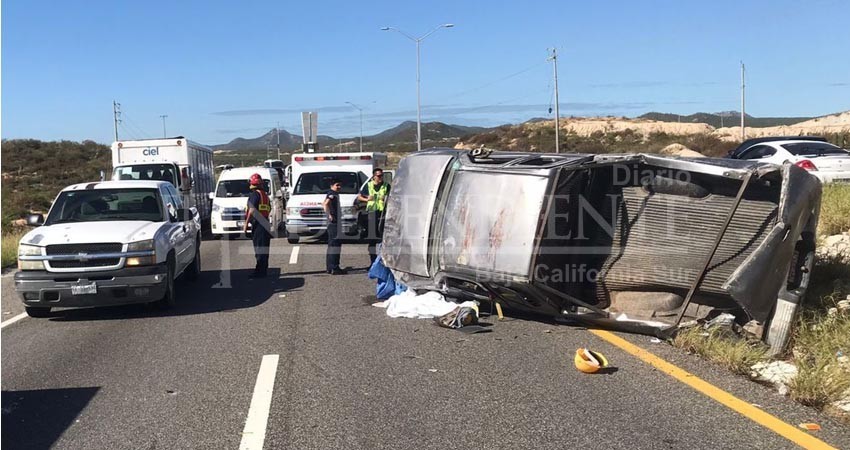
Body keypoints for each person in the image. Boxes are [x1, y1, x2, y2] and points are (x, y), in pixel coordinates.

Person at [357, 168, 390, 265]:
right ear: (374, 176)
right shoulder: (368, 185)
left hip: (382, 214)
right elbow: (359, 197)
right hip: (371, 214)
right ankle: (372, 262)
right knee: (372, 240)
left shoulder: (386, 186)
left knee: (383, 239)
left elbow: (392, 197)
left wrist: (386, 198)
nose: (380, 178)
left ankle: (383, 262)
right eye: (379, 176)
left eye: (382, 176)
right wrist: (366, 199)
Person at [242, 173, 272, 278]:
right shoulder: (265, 195)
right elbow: (268, 209)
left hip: (258, 224)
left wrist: (246, 225)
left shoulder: (254, 195)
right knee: (264, 248)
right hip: (265, 223)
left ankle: (260, 272)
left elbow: (252, 209)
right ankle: (263, 270)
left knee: (259, 248)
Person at [323, 179, 346, 275]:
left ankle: (330, 267)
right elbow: (325, 203)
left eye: (340, 185)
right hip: (333, 223)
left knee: (331, 245)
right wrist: (329, 214)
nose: (339, 187)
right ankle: (334, 267)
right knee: (335, 245)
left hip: (334, 222)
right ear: (332, 185)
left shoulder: (334, 193)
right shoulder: (331, 193)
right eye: (337, 185)